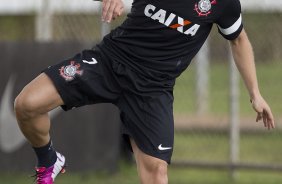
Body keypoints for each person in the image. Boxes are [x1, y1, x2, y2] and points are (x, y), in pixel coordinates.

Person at [14, 0, 275, 183]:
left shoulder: (224, 4)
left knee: (157, 175)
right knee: (26, 105)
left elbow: (238, 39)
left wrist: (255, 93)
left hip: (152, 90)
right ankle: (48, 160)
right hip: (108, 63)